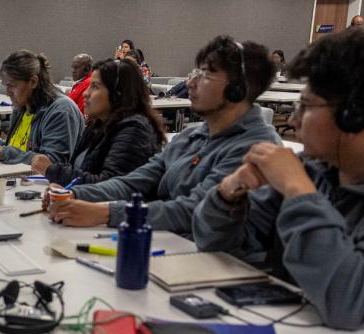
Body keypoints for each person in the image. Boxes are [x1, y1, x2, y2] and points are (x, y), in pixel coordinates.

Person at [193, 29, 364, 330]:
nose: (292, 121)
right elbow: (214, 243)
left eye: (304, 107)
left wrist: (298, 191)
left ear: (352, 115)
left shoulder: (301, 179)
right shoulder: (315, 170)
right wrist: (229, 195)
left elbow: (350, 303)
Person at [46, 35, 280, 237]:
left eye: (205, 75)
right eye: (195, 73)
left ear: (238, 88)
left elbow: (192, 210)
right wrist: (74, 193)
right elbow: (135, 181)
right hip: (170, 243)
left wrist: (106, 212)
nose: (190, 82)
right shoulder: (192, 136)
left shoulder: (255, 148)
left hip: (224, 266)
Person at [31, 58, 165, 186]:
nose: (86, 93)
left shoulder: (134, 131)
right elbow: (78, 170)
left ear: (117, 93)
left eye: (94, 87)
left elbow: (109, 186)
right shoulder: (97, 125)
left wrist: (52, 171)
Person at [0, 50, 83, 164]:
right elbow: (19, 148)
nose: (8, 92)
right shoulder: (23, 107)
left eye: (12, 85)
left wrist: (4, 153)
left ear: (33, 82)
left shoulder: (61, 110)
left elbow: (52, 162)